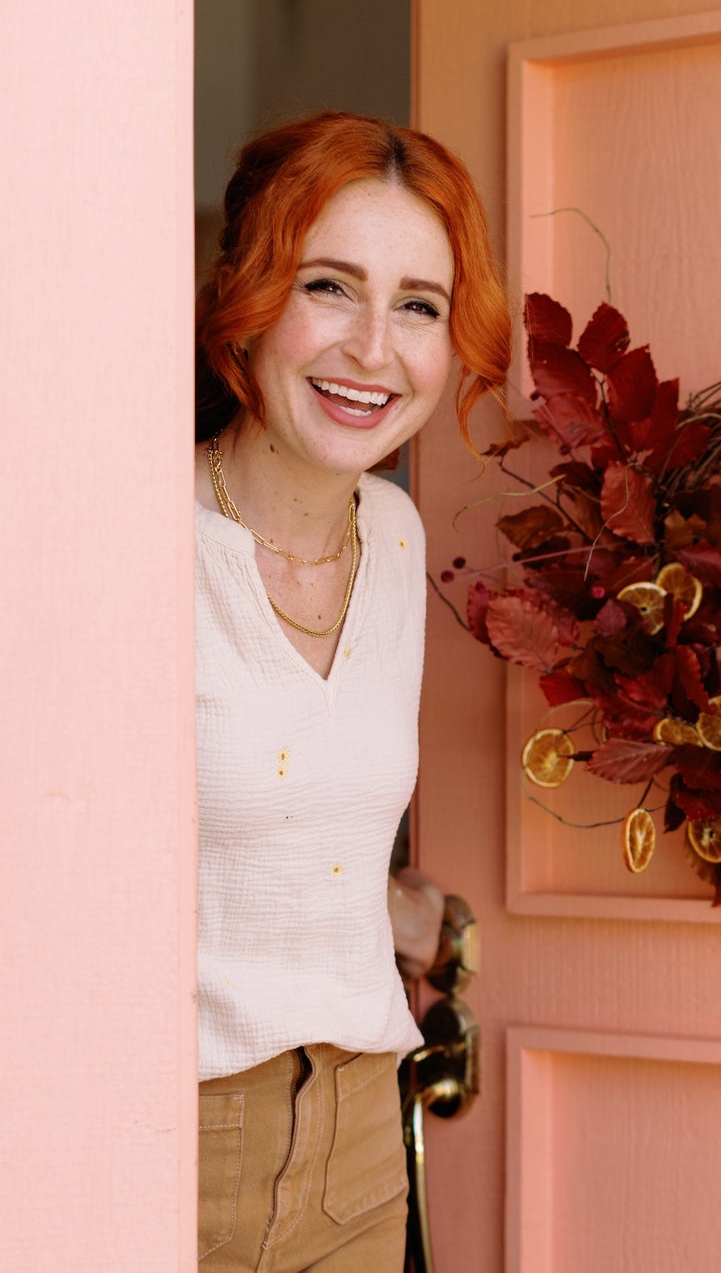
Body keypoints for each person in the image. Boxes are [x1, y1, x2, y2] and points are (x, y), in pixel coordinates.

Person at [193, 112, 509, 1270]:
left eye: (419, 304)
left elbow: (290, 819)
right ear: (249, 293)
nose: (375, 349)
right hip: (161, 1129)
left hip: (358, 1145)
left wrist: (399, 911)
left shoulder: (394, 535)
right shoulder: (136, 544)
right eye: (330, 286)